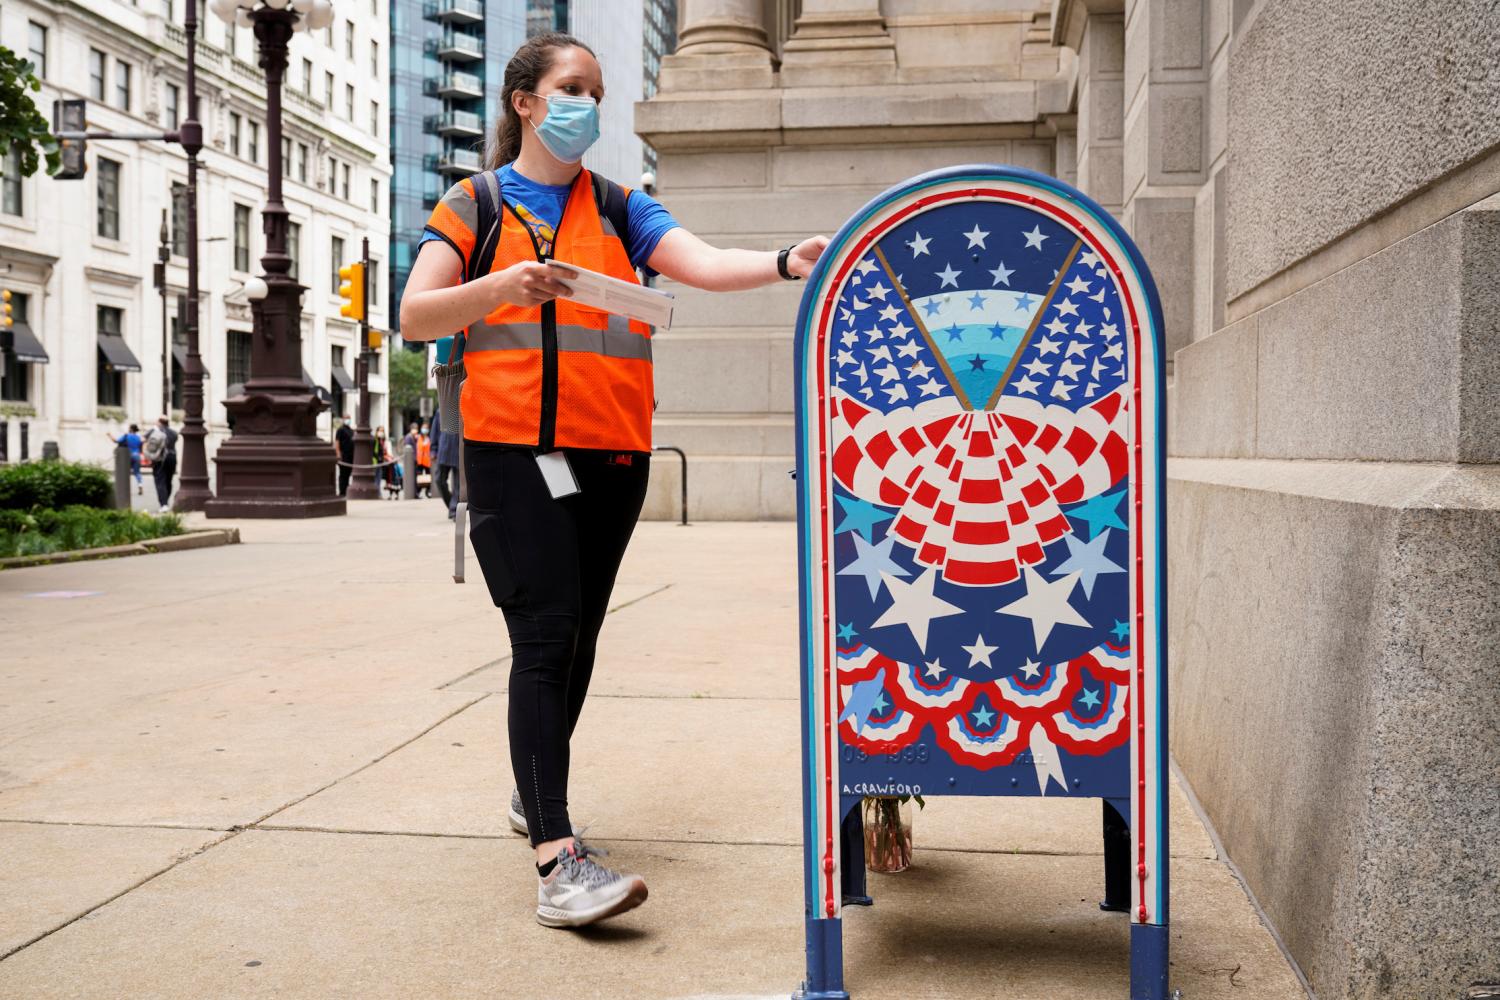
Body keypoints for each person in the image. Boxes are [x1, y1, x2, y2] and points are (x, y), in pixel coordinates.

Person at [399, 32, 828, 930]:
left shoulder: (622, 207)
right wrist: (505, 286)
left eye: (594, 90)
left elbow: (703, 263)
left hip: (611, 459)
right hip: (516, 455)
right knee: (547, 637)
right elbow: (415, 315)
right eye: (570, 87)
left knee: (582, 636)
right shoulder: (473, 205)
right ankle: (559, 859)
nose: (585, 103)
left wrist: (787, 260)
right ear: (524, 101)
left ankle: (534, 787)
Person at [429, 399, 460, 519]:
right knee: (439, 480)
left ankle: (454, 510)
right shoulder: (440, 411)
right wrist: (433, 449)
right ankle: (451, 504)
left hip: (458, 451)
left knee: (458, 485)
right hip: (443, 450)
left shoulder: (464, 409)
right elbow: (435, 432)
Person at [142, 415, 178, 513]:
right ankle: (165, 501)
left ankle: (164, 504)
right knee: (168, 480)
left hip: (159, 458)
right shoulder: (174, 433)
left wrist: (146, 452)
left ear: (159, 422)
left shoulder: (154, 431)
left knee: (160, 481)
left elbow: (142, 439)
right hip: (172, 457)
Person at [106, 424, 144, 495]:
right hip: (136, 455)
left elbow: (116, 441)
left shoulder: (126, 436)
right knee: (137, 472)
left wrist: (109, 435)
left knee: (125, 472)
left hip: (127, 455)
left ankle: (124, 488)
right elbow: (142, 444)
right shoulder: (138, 437)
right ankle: (140, 485)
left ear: (131, 429)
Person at [334, 417, 355, 497]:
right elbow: (337, 442)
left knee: (348, 474)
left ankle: (346, 490)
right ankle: (342, 492)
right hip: (344, 456)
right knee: (343, 474)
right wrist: (338, 454)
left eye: (349, 418)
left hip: (351, 456)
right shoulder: (340, 430)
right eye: (346, 418)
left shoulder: (351, 431)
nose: (348, 419)